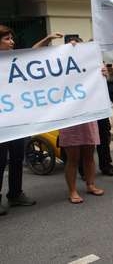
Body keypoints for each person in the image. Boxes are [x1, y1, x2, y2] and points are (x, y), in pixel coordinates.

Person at [0, 25, 64, 216]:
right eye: (7, 39)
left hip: (17, 119)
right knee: (0, 161)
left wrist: (47, 39)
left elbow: (32, 54)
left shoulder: (14, 59)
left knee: (18, 157)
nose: (12, 42)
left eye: (12, 38)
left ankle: (16, 193)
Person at [60, 37, 105, 204]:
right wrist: (49, 39)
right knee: (73, 158)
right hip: (70, 117)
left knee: (89, 154)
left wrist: (103, 74)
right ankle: (72, 191)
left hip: (88, 115)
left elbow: (100, 82)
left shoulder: (90, 65)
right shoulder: (60, 67)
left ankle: (90, 184)